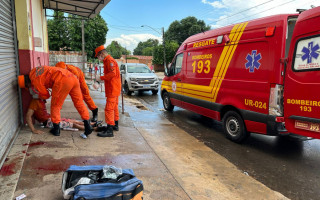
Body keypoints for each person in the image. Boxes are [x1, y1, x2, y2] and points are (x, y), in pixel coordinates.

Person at [17, 66, 93, 138]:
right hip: (72, 77)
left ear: (27, 84)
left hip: (62, 80)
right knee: (79, 103)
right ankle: (87, 125)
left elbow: (46, 95)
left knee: (55, 105)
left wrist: (40, 95)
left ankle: (56, 130)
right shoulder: (34, 71)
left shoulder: (35, 81)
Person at [25, 98, 99, 134]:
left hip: (52, 118)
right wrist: (33, 130)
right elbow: (28, 116)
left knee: (72, 120)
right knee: (73, 124)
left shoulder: (41, 99)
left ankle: (92, 124)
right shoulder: (34, 101)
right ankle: (94, 128)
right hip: (48, 122)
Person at [94, 45, 121, 137]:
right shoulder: (108, 61)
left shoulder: (110, 61)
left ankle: (109, 130)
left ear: (101, 53)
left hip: (112, 89)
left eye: (98, 56)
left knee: (109, 108)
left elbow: (112, 74)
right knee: (114, 107)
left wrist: (100, 78)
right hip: (114, 88)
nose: (98, 58)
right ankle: (114, 125)